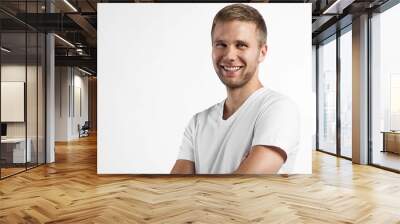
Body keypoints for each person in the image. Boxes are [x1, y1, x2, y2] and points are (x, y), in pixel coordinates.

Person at [170, 3, 300, 174]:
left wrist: (197, 188)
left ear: (262, 52)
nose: (230, 56)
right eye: (221, 44)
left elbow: (242, 190)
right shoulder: (198, 123)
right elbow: (176, 191)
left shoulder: (278, 109)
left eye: (241, 45)